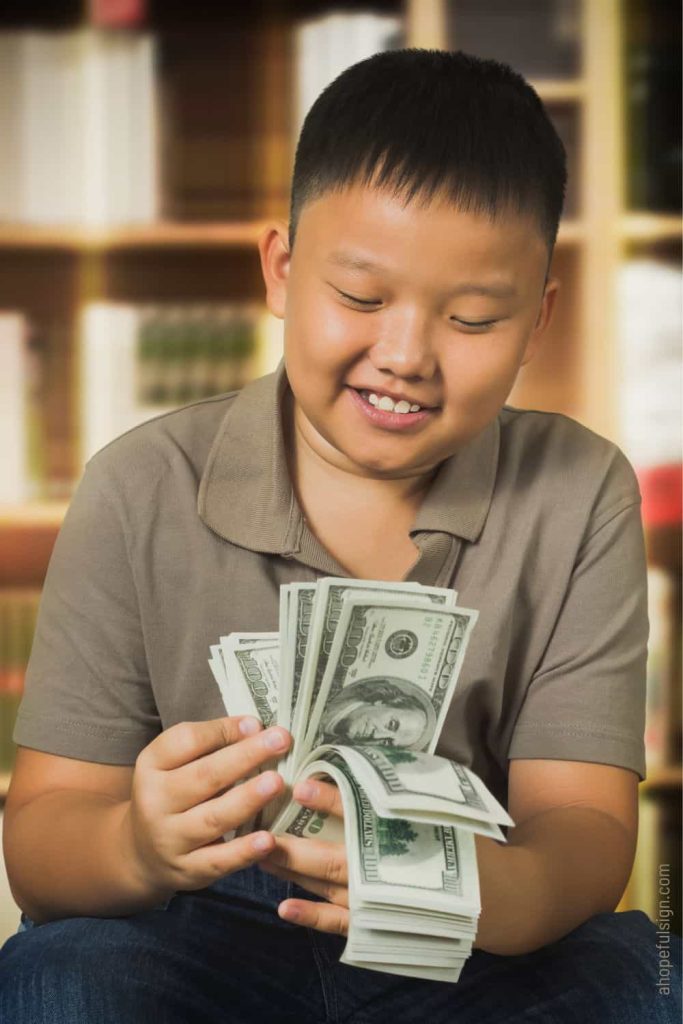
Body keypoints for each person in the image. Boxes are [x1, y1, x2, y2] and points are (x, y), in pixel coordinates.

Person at [0, 47, 680, 1023]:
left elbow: (579, 819)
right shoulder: (137, 485)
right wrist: (135, 847)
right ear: (279, 270)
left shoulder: (579, 492)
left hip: (467, 922)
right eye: (359, 298)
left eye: (473, 317)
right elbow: (42, 836)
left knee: (643, 974)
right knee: (56, 978)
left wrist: (497, 896)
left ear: (536, 321)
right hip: (198, 921)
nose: (403, 355)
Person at [317, 677, 436, 748]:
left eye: (387, 742)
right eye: (391, 724)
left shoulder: (326, 752)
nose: (376, 736)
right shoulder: (333, 688)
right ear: (382, 702)